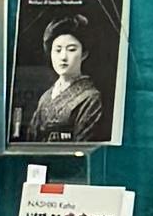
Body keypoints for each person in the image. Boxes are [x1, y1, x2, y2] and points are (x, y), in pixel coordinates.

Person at [15, 16, 111, 144]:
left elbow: (84, 142)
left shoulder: (91, 98)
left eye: (71, 50)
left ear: (84, 54)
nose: (63, 57)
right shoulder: (46, 97)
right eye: (58, 50)